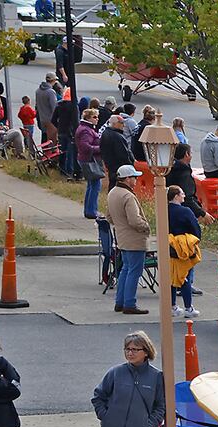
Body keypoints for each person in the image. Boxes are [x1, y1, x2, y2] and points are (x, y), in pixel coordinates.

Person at [92, 331, 165, 427]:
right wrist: (106, 417)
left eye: (135, 349)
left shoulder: (156, 376)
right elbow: (98, 396)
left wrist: (150, 424)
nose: (130, 353)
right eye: (127, 349)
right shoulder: (116, 372)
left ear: (146, 352)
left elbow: (161, 405)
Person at [106, 164, 151, 315]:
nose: (136, 180)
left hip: (122, 237)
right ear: (127, 179)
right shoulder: (128, 196)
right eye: (134, 177)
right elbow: (134, 221)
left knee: (125, 269)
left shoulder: (113, 192)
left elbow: (109, 216)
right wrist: (146, 227)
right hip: (134, 240)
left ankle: (120, 302)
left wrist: (120, 225)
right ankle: (130, 303)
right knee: (134, 271)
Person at [166, 185, 201, 318]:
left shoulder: (164, 210)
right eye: (182, 193)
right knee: (185, 277)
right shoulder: (185, 211)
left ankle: (172, 306)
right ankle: (188, 307)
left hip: (169, 248)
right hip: (184, 248)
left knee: (172, 277)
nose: (184, 195)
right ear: (176, 196)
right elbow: (195, 229)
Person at [76, 108, 102, 218]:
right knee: (95, 185)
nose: (97, 119)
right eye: (94, 117)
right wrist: (100, 148)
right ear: (88, 118)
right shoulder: (86, 130)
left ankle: (89, 210)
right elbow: (85, 146)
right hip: (89, 160)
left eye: (97, 117)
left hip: (86, 159)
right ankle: (91, 211)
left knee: (91, 185)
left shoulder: (85, 128)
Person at [98, 113, 132, 181]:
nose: (123, 125)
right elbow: (123, 154)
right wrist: (130, 164)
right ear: (114, 123)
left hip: (110, 165)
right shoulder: (117, 136)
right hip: (118, 167)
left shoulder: (106, 132)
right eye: (121, 123)